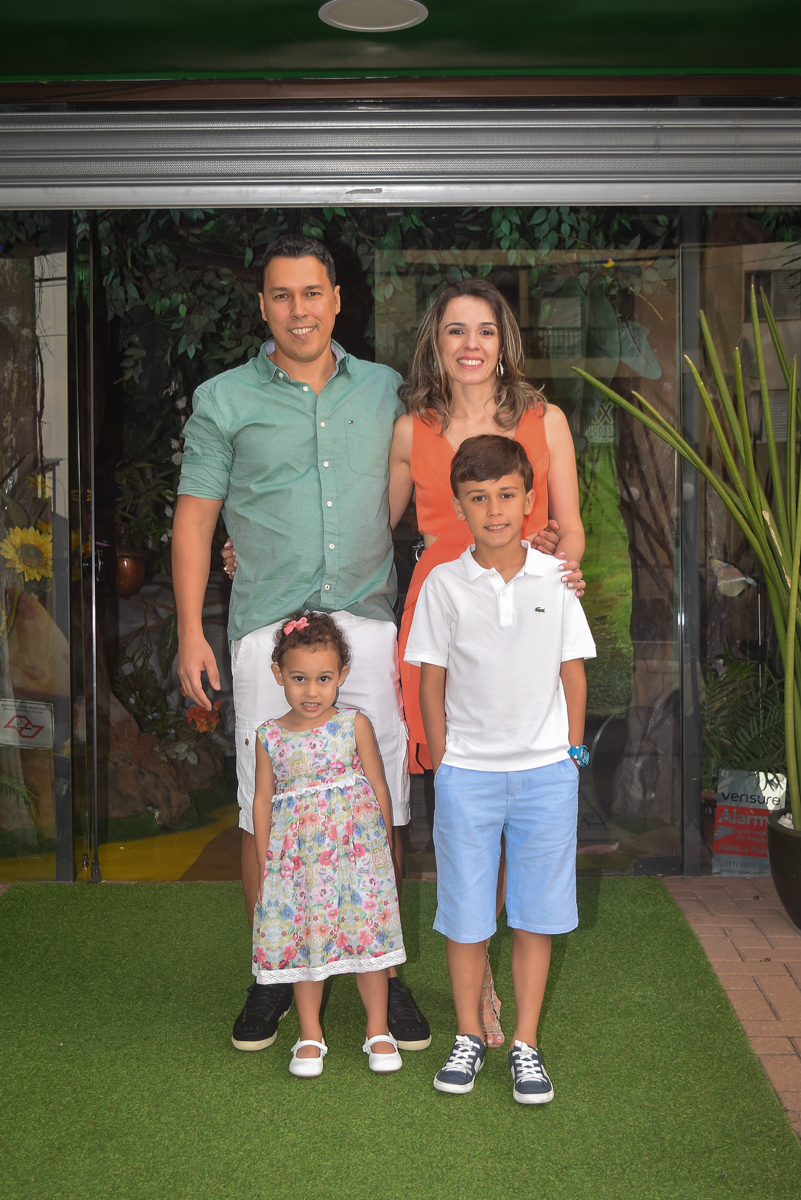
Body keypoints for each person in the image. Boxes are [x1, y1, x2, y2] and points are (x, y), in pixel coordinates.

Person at [173, 234, 430, 1056]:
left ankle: (381, 965)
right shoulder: (220, 399)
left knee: (379, 800)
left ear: (336, 299)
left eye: (311, 292)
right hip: (264, 633)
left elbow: (423, 487)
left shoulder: (388, 390)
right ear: (262, 306)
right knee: (266, 816)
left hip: (365, 623)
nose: (299, 309)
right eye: (281, 295)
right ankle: (275, 971)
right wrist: (189, 630)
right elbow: (196, 517)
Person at [389, 278, 585, 1047]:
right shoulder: (412, 429)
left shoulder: (546, 421)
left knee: (520, 789)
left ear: (503, 340)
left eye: (483, 331)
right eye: (453, 332)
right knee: (462, 801)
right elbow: (374, 533)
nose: (469, 345)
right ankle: (480, 989)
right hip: (442, 619)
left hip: (523, 619)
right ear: (434, 344)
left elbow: (570, 531)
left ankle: (503, 986)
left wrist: (556, 568)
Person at [403, 435, 596, 1104]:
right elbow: (431, 679)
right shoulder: (444, 584)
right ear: (458, 504)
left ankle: (526, 1045)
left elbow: (572, 670)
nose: (493, 510)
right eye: (478, 498)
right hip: (467, 777)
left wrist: (572, 754)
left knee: (535, 916)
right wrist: (443, 760)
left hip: (546, 773)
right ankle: (465, 1036)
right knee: (466, 916)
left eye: (506, 495)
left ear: (528, 499)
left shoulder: (555, 578)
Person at [252, 611, 405, 1077]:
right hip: (298, 866)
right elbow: (262, 801)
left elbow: (379, 787)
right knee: (305, 947)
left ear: (342, 675)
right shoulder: (268, 736)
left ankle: (378, 1029)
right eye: (299, 678)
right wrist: (267, 867)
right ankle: (310, 1033)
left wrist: (384, 851)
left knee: (368, 941)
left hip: (358, 860)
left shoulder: (353, 724)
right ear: (278, 675)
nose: (311, 691)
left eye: (323, 678)